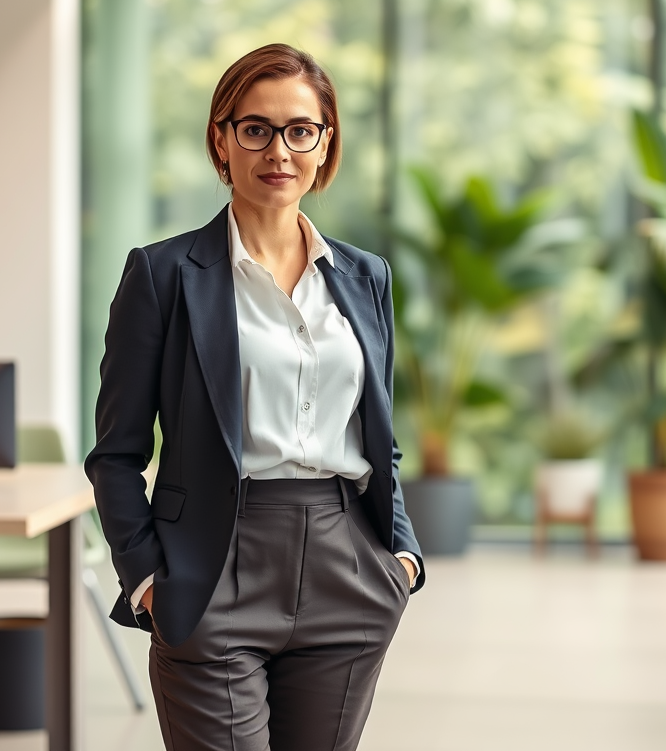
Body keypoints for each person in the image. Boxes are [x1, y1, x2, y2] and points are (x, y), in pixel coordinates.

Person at [85, 42, 424, 751]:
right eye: (257, 128)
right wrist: (148, 577)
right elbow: (116, 455)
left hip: (346, 568)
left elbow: (378, 434)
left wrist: (401, 556)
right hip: (212, 566)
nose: (280, 150)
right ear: (222, 137)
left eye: (301, 130)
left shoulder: (366, 278)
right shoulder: (164, 274)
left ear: (325, 143)